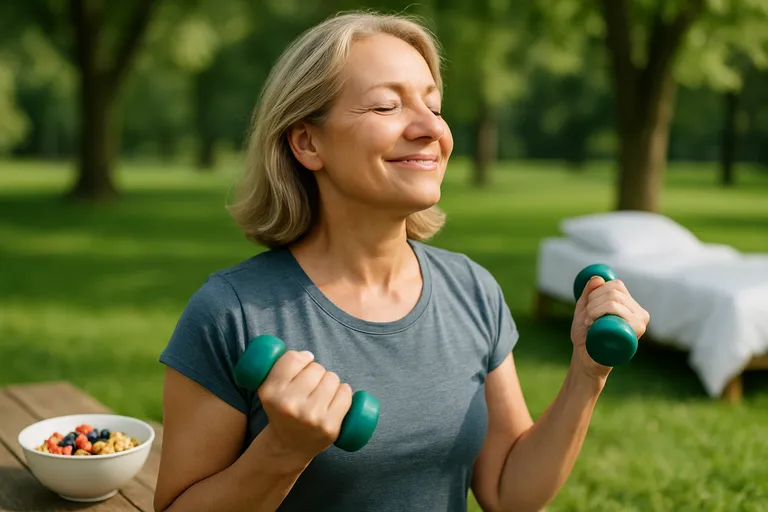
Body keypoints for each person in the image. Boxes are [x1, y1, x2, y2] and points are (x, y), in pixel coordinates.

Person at [152, 10, 650, 512]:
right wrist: (282, 451)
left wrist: (587, 375)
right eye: (387, 106)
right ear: (307, 142)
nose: (429, 128)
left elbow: (509, 492)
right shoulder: (231, 313)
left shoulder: (472, 290)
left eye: (434, 106)